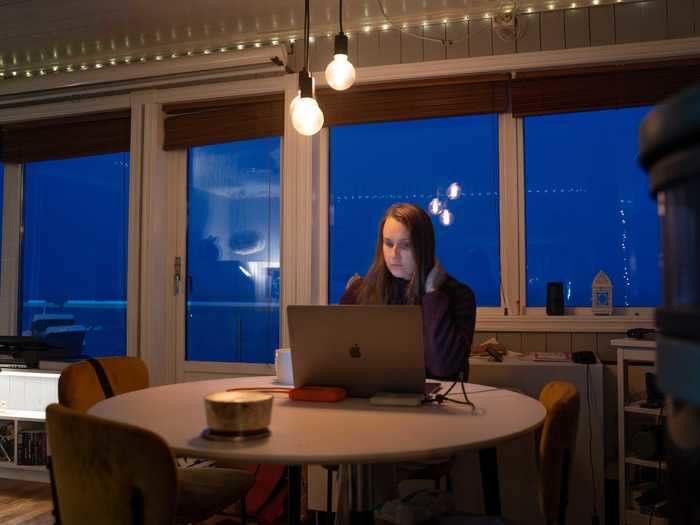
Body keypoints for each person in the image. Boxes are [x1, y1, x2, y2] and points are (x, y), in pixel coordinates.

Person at [340, 203, 476, 380]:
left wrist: (432, 294)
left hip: (436, 403)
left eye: (405, 245)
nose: (394, 254)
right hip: (370, 399)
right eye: (388, 244)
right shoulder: (359, 292)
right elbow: (341, 361)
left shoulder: (457, 296)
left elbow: (444, 367)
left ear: (423, 247)